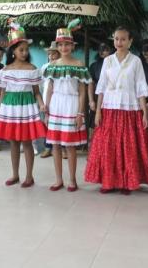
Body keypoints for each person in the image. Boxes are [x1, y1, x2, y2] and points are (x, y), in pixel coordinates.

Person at [84, 26, 148, 195]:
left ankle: (127, 182)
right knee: (108, 146)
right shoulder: (108, 61)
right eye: (116, 39)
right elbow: (101, 86)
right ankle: (108, 182)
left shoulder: (135, 61)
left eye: (123, 39)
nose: (119, 42)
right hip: (109, 108)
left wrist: (144, 112)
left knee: (128, 146)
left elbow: (140, 87)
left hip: (129, 108)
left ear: (130, 41)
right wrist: (98, 111)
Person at [0, 22, 46, 187]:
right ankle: (15, 174)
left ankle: (29, 176)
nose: (24, 52)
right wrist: (0, 112)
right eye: (21, 49)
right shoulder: (5, 70)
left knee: (27, 142)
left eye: (26, 49)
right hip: (10, 108)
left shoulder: (32, 69)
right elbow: (2, 91)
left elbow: (36, 91)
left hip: (27, 107)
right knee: (13, 142)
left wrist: (42, 104)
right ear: (13, 51)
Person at [44, 21, 91, 192]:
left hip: (71, 104)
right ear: (57, 46)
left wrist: (80, 113)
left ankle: (72, 180)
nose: (64, 47)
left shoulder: (79, 65)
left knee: (70, 146)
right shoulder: (52, 66)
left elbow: (82, 91)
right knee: (55, 144)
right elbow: (49, 88)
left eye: (67, 44)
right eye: (61, 44)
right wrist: (47, 110)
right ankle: (58, 179)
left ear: (72, 45)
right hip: (56, 105)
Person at [39, 42, 61, 159]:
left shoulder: (64, 66)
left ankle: (62, 148)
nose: (51, 56)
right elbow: (42, 84)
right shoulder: (44, 67)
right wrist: (42, 102)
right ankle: (48, 147)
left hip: (59, 100)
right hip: (46, 100)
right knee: (47, 124)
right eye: (50, 54)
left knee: (60, 124)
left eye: (54, 54)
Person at [87, 42, 112, 143]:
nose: (103, 52)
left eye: (106, 49)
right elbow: (91, 84)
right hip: (97, 97)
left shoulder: (115, 64)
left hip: (111, 98)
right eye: (101, 49)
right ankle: (93, 150)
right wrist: (91, 100)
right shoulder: (94, 66)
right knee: (94, 124)